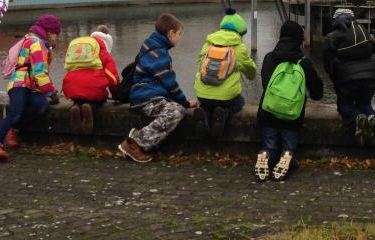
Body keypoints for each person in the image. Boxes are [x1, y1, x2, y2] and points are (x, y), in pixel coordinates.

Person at [119, 13, 198, 163]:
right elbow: (170, 84)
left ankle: (136, 136)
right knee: (176, 111)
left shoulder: (151, 43)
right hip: (145, 97)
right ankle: (134, 143)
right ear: (171, 33)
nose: (179, 38)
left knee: (175, 107)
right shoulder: (158, 54)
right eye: (179, 34)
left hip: (144, 94)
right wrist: (185, 103)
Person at [0, 14, 61, 161]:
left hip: (31, 86)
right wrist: (50, 91)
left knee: (41, 106)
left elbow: (40, 72)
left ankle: (13, 129)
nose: (57, 37)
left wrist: (50, 89)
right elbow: (39, 72)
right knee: (16, 111)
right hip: (19, 83)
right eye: (56, 34)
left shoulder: (32, 40)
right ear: (50, 32)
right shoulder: (37, 44)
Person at [255, 20, 324, 182]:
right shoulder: (304, 62)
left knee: (270, 145)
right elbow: (317, 94)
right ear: (299, 39)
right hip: (291, 116)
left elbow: (266, 85)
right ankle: (288, 155)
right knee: (289, 146)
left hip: (268, 113)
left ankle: (266, 153)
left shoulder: (269, 58)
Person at [193, 9, 256, 140]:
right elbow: (251, 73)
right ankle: (223, 113)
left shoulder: (208, 44)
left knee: (207, 104)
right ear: (240, 33)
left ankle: (203, 113)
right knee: (239, 102)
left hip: (202, 95)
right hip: (227, 98)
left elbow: (199, 67)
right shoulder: (239, 47)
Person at [322, 7, 375, 145]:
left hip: (347, 79)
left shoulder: (332, 37)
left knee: (345, 106)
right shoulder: (363, 32)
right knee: (365, 103)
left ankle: (357, 118)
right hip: (371, 76)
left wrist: (336, 81)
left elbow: (328, 64)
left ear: (335, 20)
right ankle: (372, 117)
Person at [62, 25, 119, 134]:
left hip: (72, 87)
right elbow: (112, 78)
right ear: (107, 43)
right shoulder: (103, 52)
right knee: (97, 97)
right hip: (93, 89)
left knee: (79, 95)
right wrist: (116, 95)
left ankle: (76, 106)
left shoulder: (82, 49)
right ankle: (90, 107)